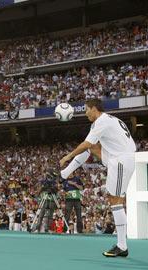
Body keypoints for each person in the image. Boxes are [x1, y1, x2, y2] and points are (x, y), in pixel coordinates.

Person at [60, 98, 136, 257]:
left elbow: (85, 144)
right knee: (92, 146)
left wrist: (68, 156)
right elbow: (91, 146)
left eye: (87, 109)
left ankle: (122, 246)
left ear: (94, 108)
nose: (85, 113)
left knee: (116, 200)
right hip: (117, 157)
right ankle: (65, 173)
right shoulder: (109, 119)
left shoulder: (101, 121)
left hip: (121, 160)